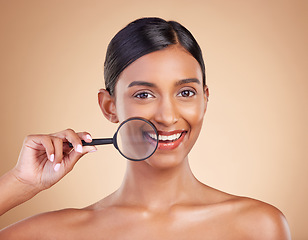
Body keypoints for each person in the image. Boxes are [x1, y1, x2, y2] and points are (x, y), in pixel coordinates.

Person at [0, 17, 291, 239]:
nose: (167, 116)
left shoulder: (259, 226)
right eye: (144, 94)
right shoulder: (53, 233)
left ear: (205, 99)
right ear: (109, 106)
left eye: (186, 93)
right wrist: (20, 183)